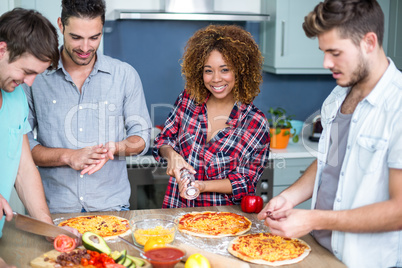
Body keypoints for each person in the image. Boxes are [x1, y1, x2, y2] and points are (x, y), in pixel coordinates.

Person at [257, 0, 402, 267]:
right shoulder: (338, 96)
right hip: (320, 250)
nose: (326, 62)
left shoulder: (397, 106)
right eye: (323, 52)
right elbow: (331, 159)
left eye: (335, 52)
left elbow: (398, 211)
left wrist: (313, 218)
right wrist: (289, 197)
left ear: (369, 42)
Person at [23, 0, 151, 213]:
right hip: (51, 210)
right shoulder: (36, 76)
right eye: (76, 37)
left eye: (94, 37)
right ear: (61, 26)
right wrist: (68, 156)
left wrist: (116, 148)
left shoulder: (124, 75)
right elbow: (23, 146)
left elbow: (142, 137)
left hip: (111, 207)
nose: (85, 47)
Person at [153, 24, 270, 208]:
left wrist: (202, 186)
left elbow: (245, 181)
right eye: (208, 70)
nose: (216, 78)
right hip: (177, 211)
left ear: (241, 71)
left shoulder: (255, 122)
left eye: (225, 69)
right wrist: (171, 155)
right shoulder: (188, 100)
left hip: (223, 220)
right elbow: (163, 139)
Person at [0, 8, 80, 267]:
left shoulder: (16, 97)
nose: (30, 82)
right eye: (27, 71)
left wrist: (48, 228)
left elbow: (23, 169)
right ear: (2, 50)